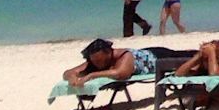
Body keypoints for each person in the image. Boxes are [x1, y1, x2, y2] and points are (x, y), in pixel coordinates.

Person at [62, 37, 195, 90]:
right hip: (146, 52)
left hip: (158, 56)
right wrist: (72, 77)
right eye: (94, 61)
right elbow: (67, 72)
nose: (97, 64)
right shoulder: (95, 61)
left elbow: (121, 73)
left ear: (108, 53)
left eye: (99, 60)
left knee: (187, 56)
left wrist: (91, 76)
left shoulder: (124, 55)